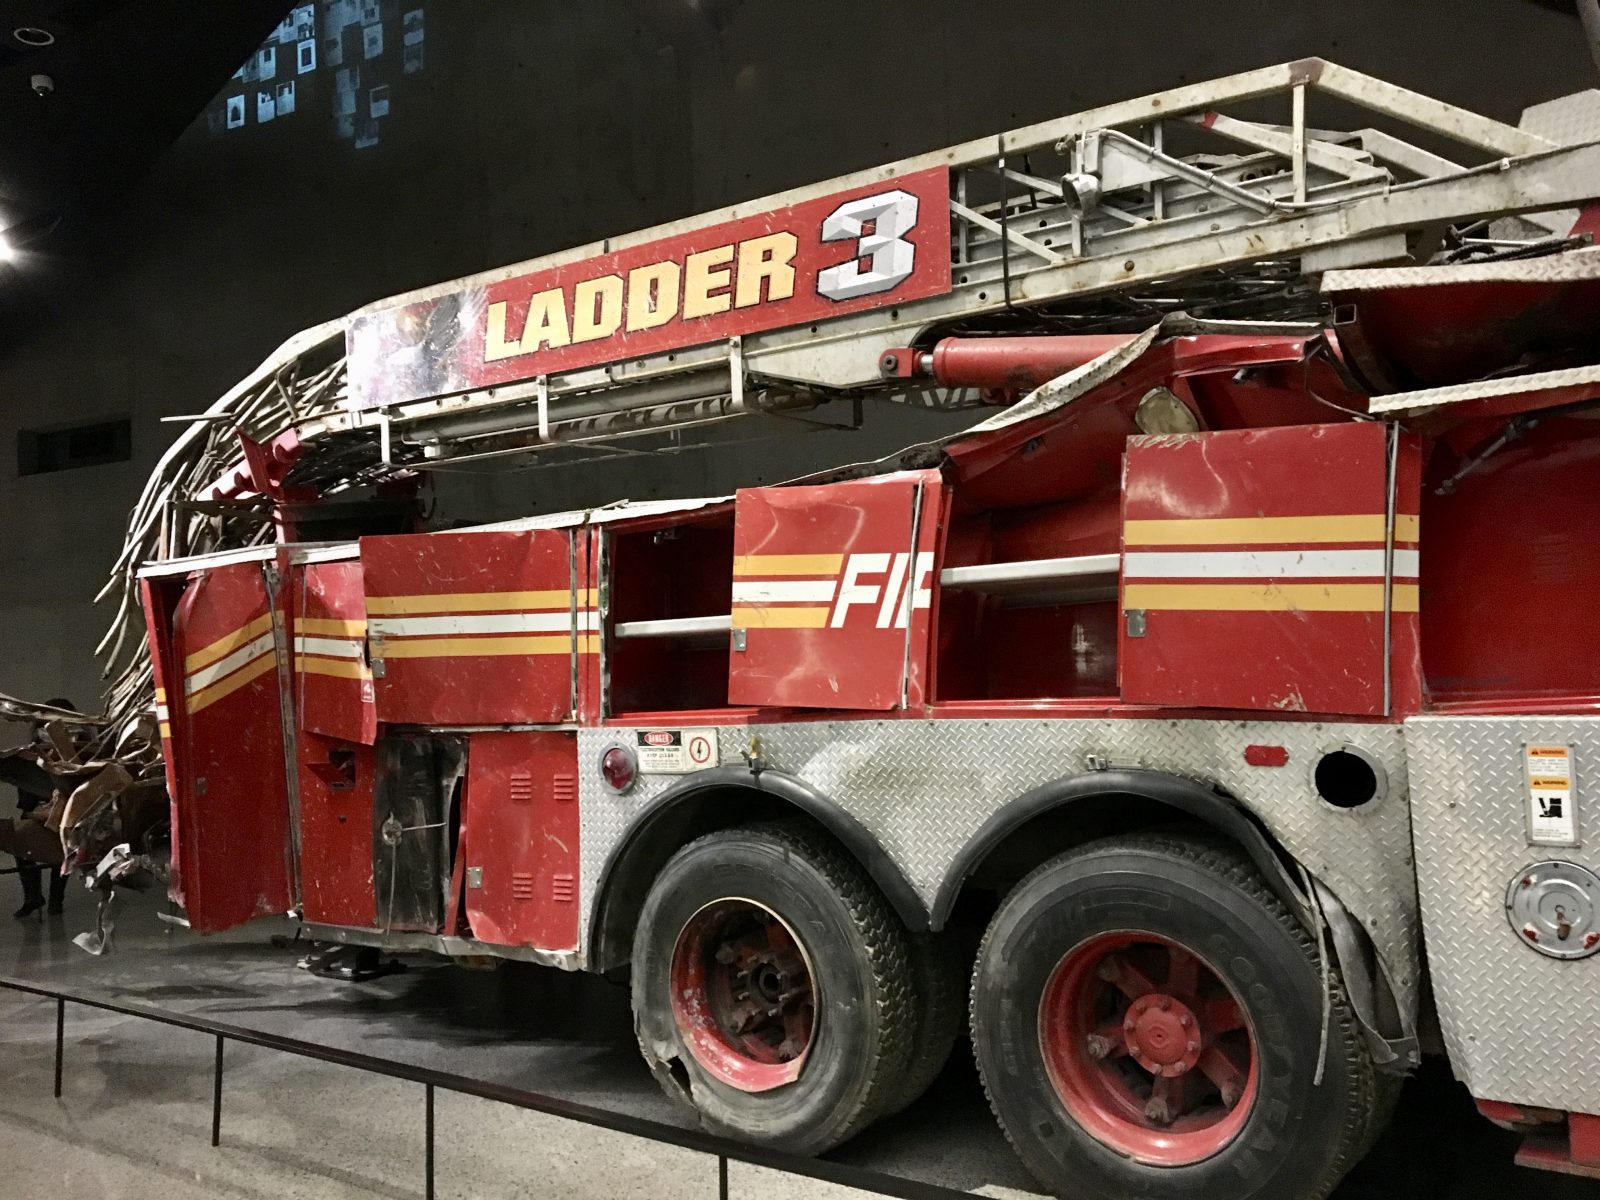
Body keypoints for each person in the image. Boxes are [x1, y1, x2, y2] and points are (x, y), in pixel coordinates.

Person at [7, 697, 74, 919]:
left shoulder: (74, 750)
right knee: (21, 842)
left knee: (62, 845)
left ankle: (56, 900)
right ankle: (33, 897)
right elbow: (25, 786)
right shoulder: (31, 751)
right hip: (36, 809)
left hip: (65, 810)